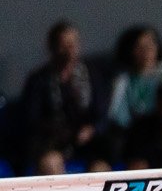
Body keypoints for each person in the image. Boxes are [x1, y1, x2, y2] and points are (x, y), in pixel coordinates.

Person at [18, 21, 102, 164]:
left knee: (100, 164)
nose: (70, 50)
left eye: (73, 44)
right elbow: (32, 118)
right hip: (51, 141)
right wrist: (58, 131)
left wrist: (91, 129)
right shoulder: (39, 80)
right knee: (50, 163)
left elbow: (101, 112)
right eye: (65, 45)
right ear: (53, 47)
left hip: (86, 142)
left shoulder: (92, 75)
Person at [105, 24, 162, 133]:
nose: (146, 51)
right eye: (140, 47)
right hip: (129, 131)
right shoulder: (121, 78)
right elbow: (117, 112)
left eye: (150, 45)